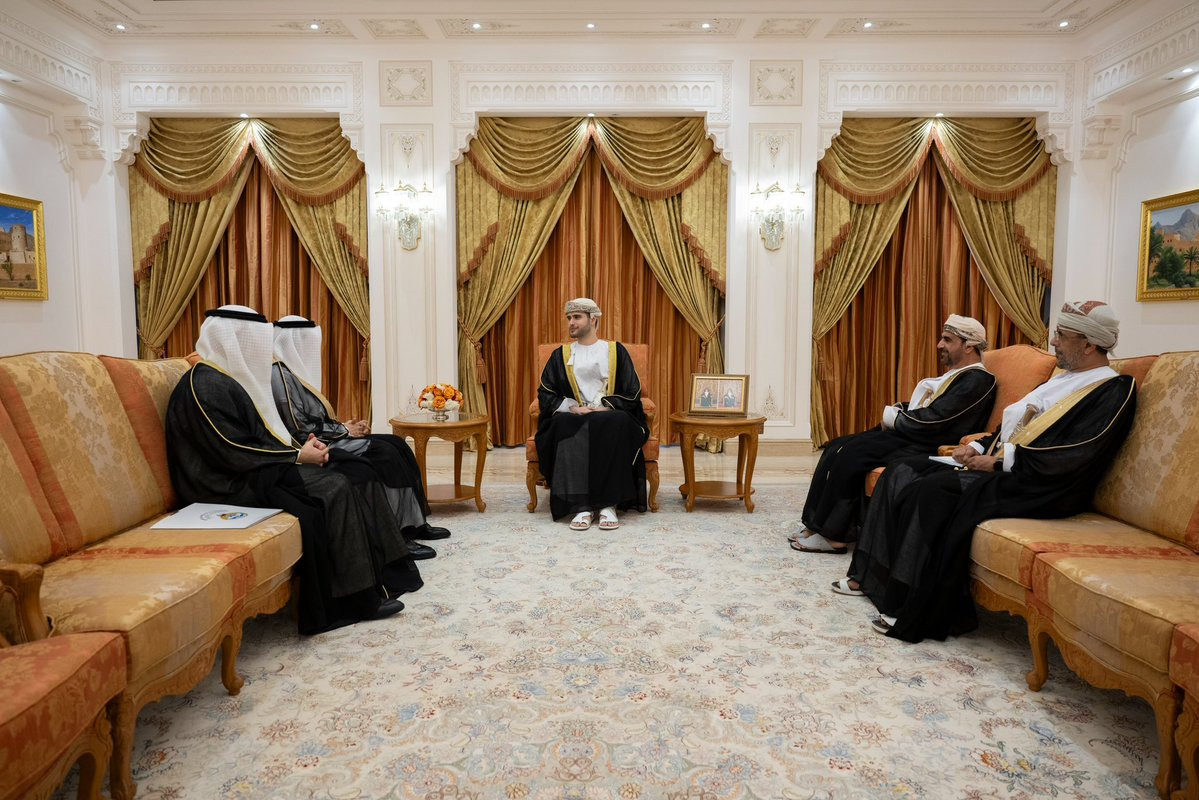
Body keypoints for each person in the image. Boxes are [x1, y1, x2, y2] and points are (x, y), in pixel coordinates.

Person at [840, 301, 1137, 643]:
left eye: (1061, 335)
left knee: (933, 491)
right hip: (1014, 470)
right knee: (904, 469)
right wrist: (979, 448)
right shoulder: (1063, 379)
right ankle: (876, 580)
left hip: (1044, 485)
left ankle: (917, 607)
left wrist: (998, 462)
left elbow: (1077, 452)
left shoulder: (1114, 389)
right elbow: (1012, 428)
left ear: (1088, 345)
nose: (1053, 341)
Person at [166, 305, 423, 635]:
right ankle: (351, 601)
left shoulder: (223, 379)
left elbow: (259, 438)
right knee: (333, 487)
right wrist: (296, 456)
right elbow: (231, 448)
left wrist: (299, 449)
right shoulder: (204, 384)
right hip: (221, 485)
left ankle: (382, 576)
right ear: (234, 339)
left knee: (345, 475)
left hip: (245, 471)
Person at [792, 315, 998, 554]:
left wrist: (896, 418)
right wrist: (900, 410)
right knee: (836, 446)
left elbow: (939, 418)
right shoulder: (960, 375)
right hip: (916, 435)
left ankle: (834, 536)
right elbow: (931, 408)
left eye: (947, 340)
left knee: (852, 454)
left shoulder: (979, 379)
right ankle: (815, 525)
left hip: (930, 443)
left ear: (969, 346)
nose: (939, 345)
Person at [270, 315, 449, 557]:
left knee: (398, 444)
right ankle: (399, 535)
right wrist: (345, 431)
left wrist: (346, 425)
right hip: (314, 447)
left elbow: (315, 417)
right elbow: (300, 428)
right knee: (384, 454)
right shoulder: (279, 376)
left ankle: (416, 523)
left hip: (330, 436)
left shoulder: (295, 371)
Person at [535, 297, 649, 530]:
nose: (571, 323)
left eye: (577, 317)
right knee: (563, 424)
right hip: (575, 413)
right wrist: (572, 407)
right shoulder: (561, 354)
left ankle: (609, 505)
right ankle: (582, 506)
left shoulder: (615, 351)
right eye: (569, 318)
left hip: (608, 412)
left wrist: (606, 405)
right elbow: (545, 392)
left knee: (615, 421)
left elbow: (632, 390)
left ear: (593, 319)